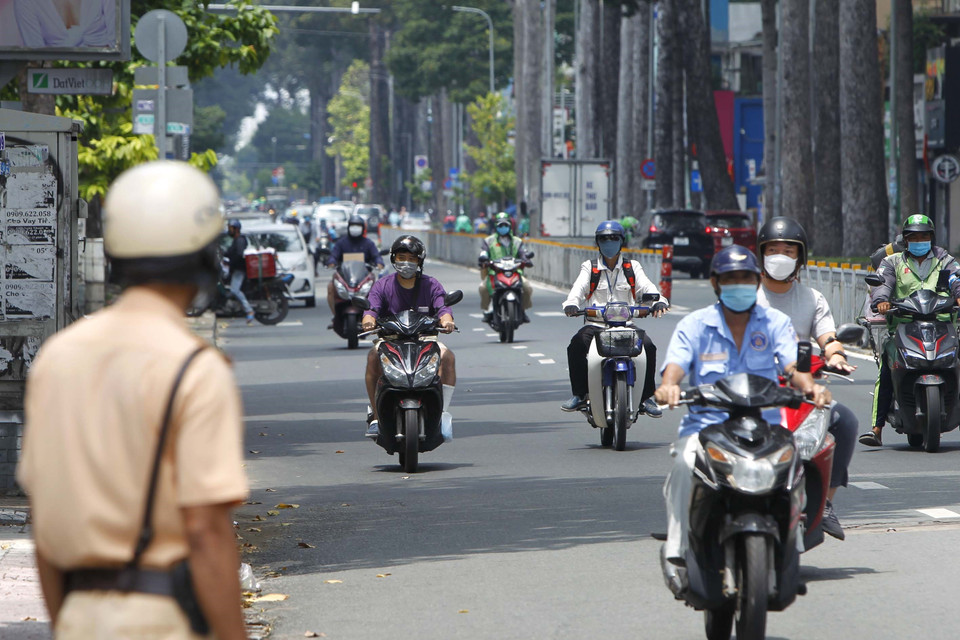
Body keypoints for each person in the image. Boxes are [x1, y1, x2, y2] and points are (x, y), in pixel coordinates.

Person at [17, 161, 248, 639]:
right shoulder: (194, 367)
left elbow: (44, 518)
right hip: (163, 620)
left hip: (79, 616)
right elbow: (205, 529)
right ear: (205, 256)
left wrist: (68, 623)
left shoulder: (57, 357)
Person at [655, 244, 831, 566]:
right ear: (715, 283)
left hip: (766, 425)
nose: (740, 285)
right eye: (731, 278)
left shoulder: (775, 321)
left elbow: (793, 366)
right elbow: (676, 365)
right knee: (684, 462)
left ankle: (793, 540)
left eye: (746, 278)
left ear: (757, 281)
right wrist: (669, 386)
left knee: (795, 466)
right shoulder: (694, 325)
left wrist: (811, 387)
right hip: (707, 427)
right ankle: (678, 549)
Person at [755, 216, 857, 539]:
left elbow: (828, 338)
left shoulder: (812, 299)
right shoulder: (745, 297)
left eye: (788, 251)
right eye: (773, 250)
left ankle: (825, 502)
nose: (780, 257)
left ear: (800, 257)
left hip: (802, 392)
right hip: (753, 391)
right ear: (761, 254)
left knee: (845, 421)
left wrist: (836, 355)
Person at [861, 214, 960, 446]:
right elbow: (883, 283)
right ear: (905, 240)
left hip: (943, 325)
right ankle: (877, 428)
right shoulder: (893, 262)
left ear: (932, 238)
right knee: (887, 364)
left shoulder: (944, 260)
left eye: (924, 236)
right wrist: (882, 301)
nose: (919, 240)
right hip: (904, 327)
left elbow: (957, 278)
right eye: (913, 236)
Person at [561, 220, 668, 416]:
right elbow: (578, 289)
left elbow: (647, 287)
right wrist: (571, 304)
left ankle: (646, 397)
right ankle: (579, 394)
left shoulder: (632, 267)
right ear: (597, 242)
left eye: (613, 238)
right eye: (604, 239)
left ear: (621, 241)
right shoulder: (589, 267)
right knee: (576, 344)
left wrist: (659, 301)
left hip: (626, 326)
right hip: (596, 325)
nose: (608, 243)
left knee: (649, 346)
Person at [361, 235, 457, 438]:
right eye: (401, 257)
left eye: (412, 259)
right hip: (390, 340)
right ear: (393, 259)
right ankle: (376, 416)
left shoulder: (431, 285)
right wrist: (368, 320)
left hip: (425, 340)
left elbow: (443, 307)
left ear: (419, 261)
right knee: (372, 357)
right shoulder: (382, 285)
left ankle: (441, 413)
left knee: (447, 357)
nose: (406, 263)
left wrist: (447, 321)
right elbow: (370, 309)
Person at [479, 212, 534, 323]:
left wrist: (526, 259)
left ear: (510, 226)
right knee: (483, 288)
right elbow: (483, 252)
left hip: (515, 272)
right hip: (494, 273)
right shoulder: (489, 240)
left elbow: (523, 253)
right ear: (496, 226)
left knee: (527, 288)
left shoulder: (517, 241)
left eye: (505, 225)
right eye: (500, 225)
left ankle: (522, 310)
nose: (503, 228)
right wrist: (484, 258)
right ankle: (488, 311)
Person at [326, 214, 384, 314]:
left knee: (379, 290)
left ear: (363, 228)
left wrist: (379, 263)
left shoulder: (368, 243)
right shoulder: (341, 243)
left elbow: (376, 256)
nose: (355, 228)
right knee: (330, 288)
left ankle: (374, 314)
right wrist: (331, 262)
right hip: (345, 278)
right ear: (349, 227)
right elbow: (334, 256)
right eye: (353, 225)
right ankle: (335, 315)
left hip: (364, 279)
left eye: (358, 225)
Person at [14, 0, 116, 49]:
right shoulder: (25, 2)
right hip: (54, 79)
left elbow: (117, 46)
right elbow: (36, 56)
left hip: (103, 71)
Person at [224, 219, 255, 324]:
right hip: (235, 268)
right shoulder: (236, 240)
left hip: (240, 269)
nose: (229, 230)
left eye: (231, 228)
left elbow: (238, 254)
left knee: (234, 290)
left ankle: (249, 310)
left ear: (236, 229)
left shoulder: (240, 240)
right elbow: (229, 252)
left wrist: (230, 261)